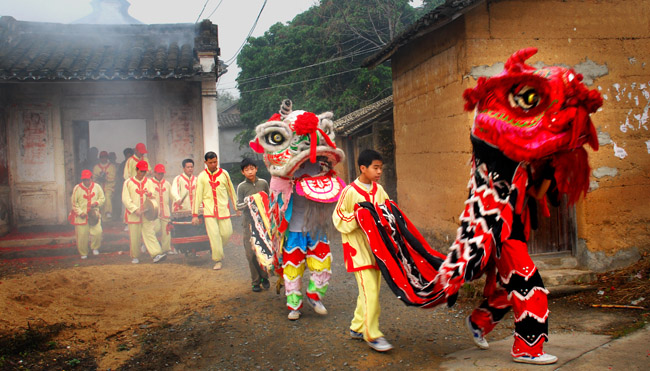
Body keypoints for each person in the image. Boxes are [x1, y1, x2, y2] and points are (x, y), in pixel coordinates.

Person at [332, 149, 393, 352]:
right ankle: (372, 334)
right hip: (358, 249)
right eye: (375, 168)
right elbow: (339, 216)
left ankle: (357, 327)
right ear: (363, 168)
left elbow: (387, 210)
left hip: (377, 249)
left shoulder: (380, 190)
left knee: (369, 290)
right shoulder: (350, 191)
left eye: (380, 168)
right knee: (371, 291)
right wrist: (359, 217)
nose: (379, 172)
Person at [192, 152, 239, 270]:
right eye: (211, 162)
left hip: (224, 210)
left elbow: (231, 191)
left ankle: (216, 250)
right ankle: (217, 259)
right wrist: (195, 214)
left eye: (215, 161)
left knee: (227, 233)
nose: (213, 164)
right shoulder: (202, 176)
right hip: (209, 212)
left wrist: (237, 208)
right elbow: (197, 196)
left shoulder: (224, 174)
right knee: (214, 236)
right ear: (205, 163)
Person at [236, 158, 270, 292]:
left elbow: (269, 199)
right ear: (242, 172)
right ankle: (255, 281)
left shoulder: (263, 183)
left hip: (263, 223)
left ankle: (264, 276)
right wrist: (249, 202)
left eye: (252, 169)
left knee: (263, 250)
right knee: (250, 253)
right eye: (246, 170)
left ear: (256, 169)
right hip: (248, 223)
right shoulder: (241, 187)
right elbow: (238, 205)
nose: (250, 172)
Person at [122, 160, 166, 264]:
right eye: (141, 171)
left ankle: (156, 254)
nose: (143, 173)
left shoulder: (149, 182)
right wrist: (134, 209)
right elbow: (125, 199)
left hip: (147, 213)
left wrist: (150, 196)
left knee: (150, 233)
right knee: (135, 237)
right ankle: (135, 256)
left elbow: (153, 195)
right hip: (134, 215)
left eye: (145, 171)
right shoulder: (128, 183)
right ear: (136, 170)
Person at [70, 169, 105, 259]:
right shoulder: (77, 188)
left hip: (94, 214)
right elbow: (74, 203)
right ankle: (83, 252)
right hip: (81, 216)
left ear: (91, 178)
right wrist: (80, 212)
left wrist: (96, 203)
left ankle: (95, 248)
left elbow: (102, 198)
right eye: (84, 179)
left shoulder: (97, 187)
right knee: (82, 235)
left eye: (88, 179)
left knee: (98, 232)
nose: (86, 181)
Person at [151, 164, 173, 255]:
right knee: (154, 229)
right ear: (154, 173)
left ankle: (166, 249)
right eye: (159, 173)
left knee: (166, 231)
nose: (161, 175)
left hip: (165, 210)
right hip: (155, 212)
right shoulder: (149, 183)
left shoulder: (167, 184)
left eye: (162, 173)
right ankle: (150, 246)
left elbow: (171, 197)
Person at [93, 151, 116, 220]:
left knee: (107, 197)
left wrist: (105, 178)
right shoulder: (96, 167)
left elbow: (113, 178)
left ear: (107, 158)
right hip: (99, 187)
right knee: (100, 202)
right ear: (100, 158)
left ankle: (108, 212)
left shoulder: (111, 167)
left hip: (109, 187)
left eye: (105, 157)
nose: (103, 159)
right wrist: (99, 179)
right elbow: (93, 178)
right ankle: (101, 218)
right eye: (102, 157)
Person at [114, 148, 134, 219]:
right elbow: (120, 176)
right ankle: (124, 219)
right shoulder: (122, 164)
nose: (128, 157)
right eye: (127, 156)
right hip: (124, 185)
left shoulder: (135, 163)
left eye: (130, 155)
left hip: (135, 186)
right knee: (124, 202)